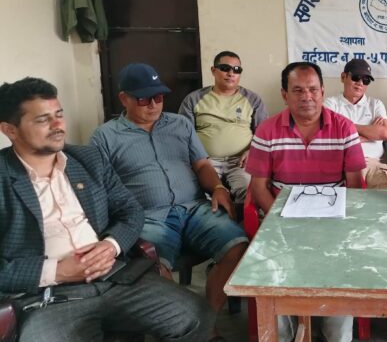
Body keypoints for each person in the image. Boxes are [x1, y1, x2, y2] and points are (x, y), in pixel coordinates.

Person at [0, 77, 212, 342]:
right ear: (10, 130)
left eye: (59, 115)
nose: (57, 126)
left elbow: (130, 210)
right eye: (43, 120)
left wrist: (111, 245)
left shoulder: (87, 159)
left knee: (195, 316)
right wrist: (57, 271)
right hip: (47, 298)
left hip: (114, 277)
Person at [90, 63, 248, 341]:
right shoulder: (105, 137)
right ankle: (183, 325)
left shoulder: (180, 124)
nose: (153, 105)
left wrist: (218, 187)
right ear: (124, 98)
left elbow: (202, 164)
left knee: (238, 246)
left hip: (195, 208)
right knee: (152, 266)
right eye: (143, 99)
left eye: (159, 97)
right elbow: (100, 188)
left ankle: (206, 323)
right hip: (148, 217)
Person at [246, 61, 366, 342]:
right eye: (298, 90)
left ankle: (336, 335)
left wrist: (340, 225)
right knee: (275, 278)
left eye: (313, 89)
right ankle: (285, 332)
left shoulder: (344, 128)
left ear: (322, 92)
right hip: (281, 221)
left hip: (332, 222)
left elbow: (354, 186)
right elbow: (259, 188)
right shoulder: (267, 130)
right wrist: (279, 222)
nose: (307, 97)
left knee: (340, 276)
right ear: (284, 95)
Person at [179, 50, 268, 203]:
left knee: (250, 194)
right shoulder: (194, 99)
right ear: (213, 70)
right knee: (200, 196)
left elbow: (264, 134)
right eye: (225, 68)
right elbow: (183, 135)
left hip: (240, 161)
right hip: (205, 162)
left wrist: (252, 150)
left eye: (236, 70)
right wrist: (199, 158)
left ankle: (241, 218)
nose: (231, 73)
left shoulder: (252, 99)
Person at [324, 59, 387, 188]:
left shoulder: (375, 104)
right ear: (343, 77)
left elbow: (385, 133)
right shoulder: (331, 103)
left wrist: (347, 130)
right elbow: (329, 135)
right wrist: (370, 134)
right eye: (356, 77)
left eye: (366, 80)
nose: (360, 83)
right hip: (340, 163)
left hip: (372, 164)